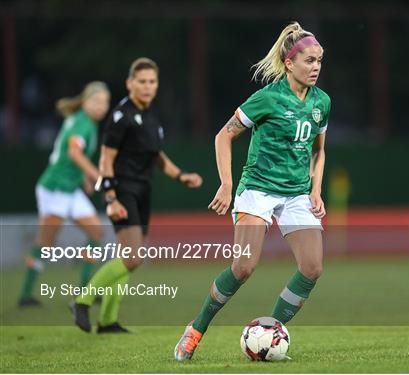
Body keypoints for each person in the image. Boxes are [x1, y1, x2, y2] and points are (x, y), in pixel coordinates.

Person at [174, 21, 331, 361]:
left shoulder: (322, 102)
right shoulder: (268, 98)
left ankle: (270, 334)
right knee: (243, 267)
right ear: (289, 63)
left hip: (297, 193)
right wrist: (227, 184)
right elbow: (223, 135)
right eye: (309, 60)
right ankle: (195, 329)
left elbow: (319, 150)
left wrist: (316, 189)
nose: (316, 66)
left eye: (319, 60)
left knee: (312, 268)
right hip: (258, 189)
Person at [71, 57, 203, 333]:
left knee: (128, 259)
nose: (147, 86)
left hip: (143, 190)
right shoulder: (121, 116)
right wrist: (110, 198)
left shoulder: (152, 115)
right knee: (133, 258)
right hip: (122, 190)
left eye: (152, 81)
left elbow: (157, 156)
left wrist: (180, 175)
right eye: (141, 81)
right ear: (130, 84)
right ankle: (82, 300)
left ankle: (107, 321)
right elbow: (105, 161)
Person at [19, 82, 110, 307]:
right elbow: (73, 153)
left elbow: (68, 156)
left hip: (69, 188)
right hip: (54, 188)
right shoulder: (83, 123)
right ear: (85, 101)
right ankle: (25, 295)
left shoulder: (86, 122)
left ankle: (85, 291)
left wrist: (84, 179)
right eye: (97, 101)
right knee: (45, 244)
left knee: (96, 231)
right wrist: (98, 177)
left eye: (105, 102)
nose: (102, 107)